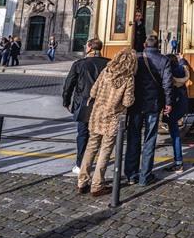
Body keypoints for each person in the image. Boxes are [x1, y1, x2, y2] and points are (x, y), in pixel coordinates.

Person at [124, 35, 184, 185]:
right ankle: (145, 176)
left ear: (144, 44)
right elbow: (167, 85)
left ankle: (131, 175)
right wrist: (168, 103)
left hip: (136, 104)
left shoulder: (136, 58)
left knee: (133, 138)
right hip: (153, 105)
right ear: (158, 46)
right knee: (150, 139)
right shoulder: (163, 60)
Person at [77, 48, 136, 197]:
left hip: (97, 114)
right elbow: (128, 102)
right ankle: (97, 185)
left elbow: (93, 92)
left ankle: (82, 181)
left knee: (91, 147)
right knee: (105, 151)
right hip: (113, 118)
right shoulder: (128, 78)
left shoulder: (106, 71)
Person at [62, 38, 110, 175]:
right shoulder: (109, 64)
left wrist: (66, 101)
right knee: (100, 135)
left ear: (89, 47)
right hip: (103, 104)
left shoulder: (79, 64)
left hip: (83, 104)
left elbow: (69, 84)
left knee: (83, 134)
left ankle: (80, 163)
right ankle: (99, 163)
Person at [165, 53, 190, 173]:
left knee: (175, 134)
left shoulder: (169, 74)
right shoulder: (182, 70)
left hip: (172, 107)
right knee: (175, 133)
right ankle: (178, 162)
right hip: (183, 105)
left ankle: (178, 162)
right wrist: (182, 59)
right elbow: (184, 67)